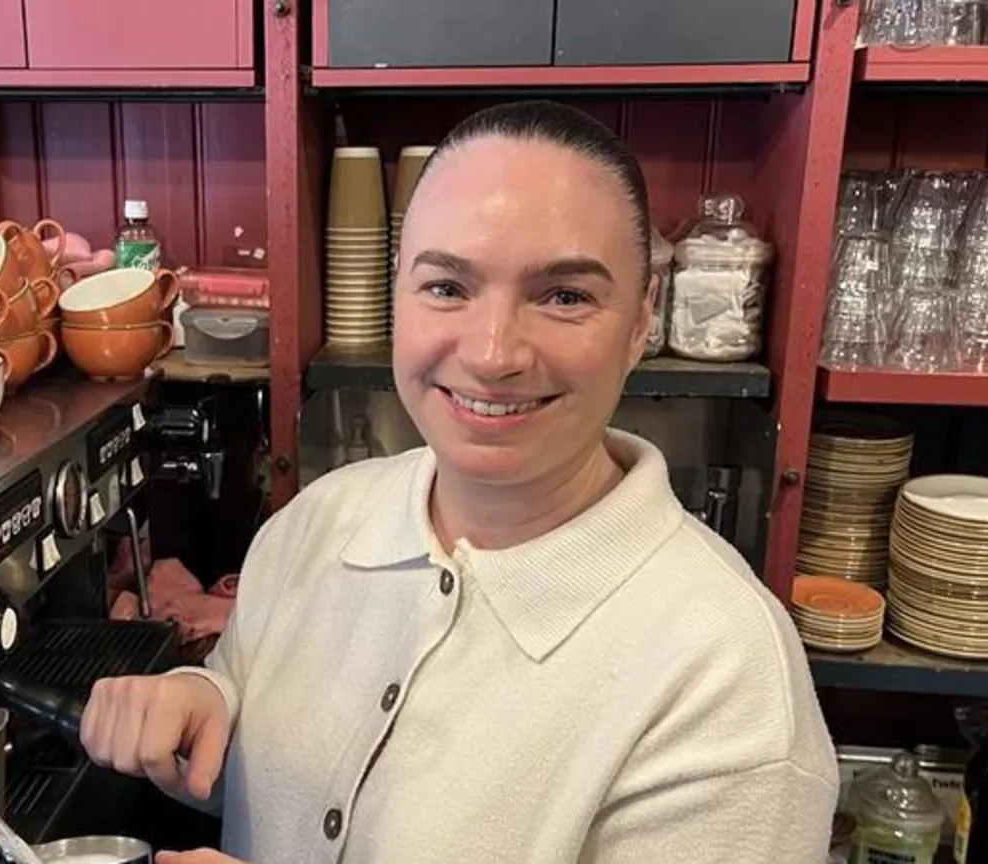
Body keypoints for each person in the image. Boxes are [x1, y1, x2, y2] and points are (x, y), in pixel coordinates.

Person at [81, 100, 839, 863]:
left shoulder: (726, 676)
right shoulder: (320, 523)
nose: (493, 352)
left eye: (565, 296)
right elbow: (255, 718)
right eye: (447, 287)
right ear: (398, 293)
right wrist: (202, 700)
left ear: (642, 322)